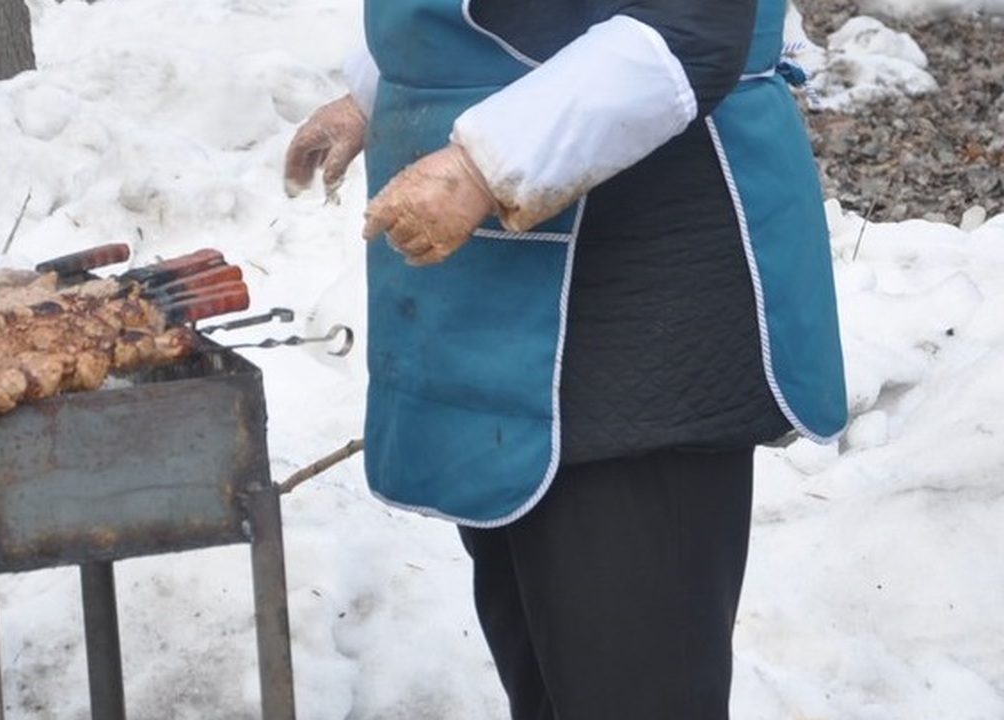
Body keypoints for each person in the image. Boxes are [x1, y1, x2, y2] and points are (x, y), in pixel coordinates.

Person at [283, 0, 847, 717]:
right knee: (545, 662)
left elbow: (691, 26)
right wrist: (373, 92)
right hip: (492, 296)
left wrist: (482, 166)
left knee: (634, 682)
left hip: (642, 312)